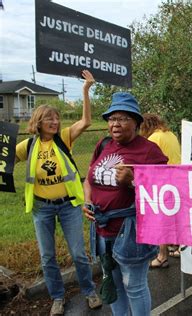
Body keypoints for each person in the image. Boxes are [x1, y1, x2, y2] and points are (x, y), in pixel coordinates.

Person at [15, 70, 102, 316]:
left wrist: (85, 90)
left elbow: (85, 122)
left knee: (78, 253)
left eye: (56, 118)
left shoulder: (64, 138)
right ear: (38, 122)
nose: (55, 122)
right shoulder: (29, 145)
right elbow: (6, 159)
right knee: (47, 257)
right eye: (49, 119)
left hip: (69, 205)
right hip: (42, 208)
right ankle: (57, 297)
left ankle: (89, 291)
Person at [83, 92, 168, 315]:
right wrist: (87, 200)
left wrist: (134, 181)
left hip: (131, 230)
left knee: (134, 285)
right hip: (102, 230)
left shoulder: (149, 151)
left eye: (122, 118)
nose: (115, 124)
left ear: (136, 122)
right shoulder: (103, 145)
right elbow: (88, 179)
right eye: (112, 118)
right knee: (113, 280)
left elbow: (166, 192)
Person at [140, 113, 182, 268]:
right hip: (178, 179)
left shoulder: (153, 139)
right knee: (175, 216)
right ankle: (178, 247)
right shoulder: (170, 134)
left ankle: (162, 256)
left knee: (161, 219)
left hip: (164, 182)